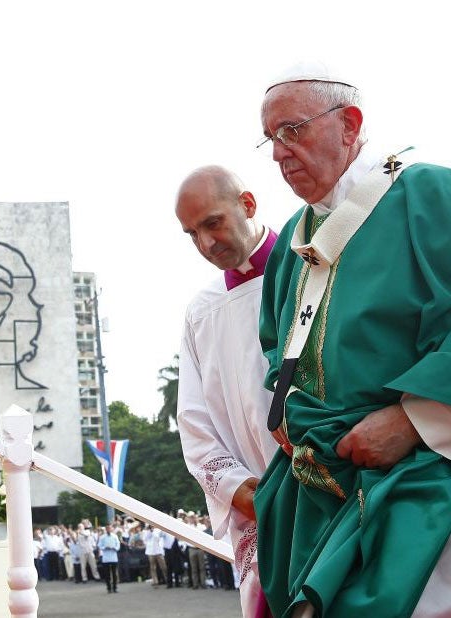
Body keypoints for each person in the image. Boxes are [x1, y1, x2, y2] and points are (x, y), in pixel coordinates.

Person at [255, 61, 451, 617]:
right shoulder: (291, 243)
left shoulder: (431, 195)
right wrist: (286, 409)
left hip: (418, 484)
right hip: (313, 493)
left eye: (292, 131)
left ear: (350, 124)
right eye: (270, 138)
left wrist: (417, 419)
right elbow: (277, 351)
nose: (277, 152)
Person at [175, 166, 278, 616]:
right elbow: (193, 424)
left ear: (248, 205)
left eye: (212, 223)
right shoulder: (202, 312)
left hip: (338, 493)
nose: (205, 244)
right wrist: (240, 492)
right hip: (260, 508)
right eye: (191, 233)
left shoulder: (317, 268)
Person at [98, 524, 120, 593]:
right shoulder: (102, 537)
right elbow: (99, 545)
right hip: (106, 557)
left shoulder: (115, 536)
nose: (108, 530)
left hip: (113, 556)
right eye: (107, 528)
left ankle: (115, 588)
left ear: (111, 529)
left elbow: (118, 545)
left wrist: (115, 548)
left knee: (114, 574)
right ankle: (109, 588)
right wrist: (105, 548)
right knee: (107, 574)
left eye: (109, 528)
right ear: (106, 529)